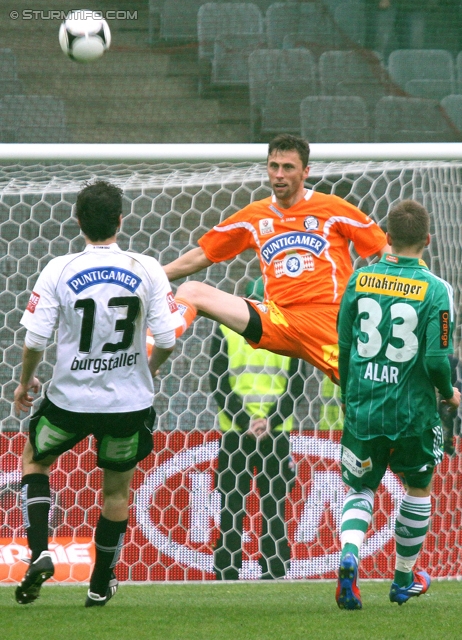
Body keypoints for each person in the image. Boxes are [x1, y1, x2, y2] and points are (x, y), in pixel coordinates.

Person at [13, 180, 177, 607]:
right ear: (121, 220)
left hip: (69, 400)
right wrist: (149, 369)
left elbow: (34, 341)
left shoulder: (59, 269)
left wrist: (26, 381)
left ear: (78, 221)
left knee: (35, 459)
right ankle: (100, 584)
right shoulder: (147, 267)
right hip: (127, 405)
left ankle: (40, 552)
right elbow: (168, 338)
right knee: (116, 493)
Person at [164, 134, 389, 385]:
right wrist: (153, 274)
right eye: (274, 166)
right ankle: (153, 351)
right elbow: (204, 254)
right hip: (278, 320)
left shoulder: (333, 208)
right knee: (191, 291)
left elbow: (383, 248)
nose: (279, 174)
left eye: (288, 167)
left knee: (371, 388)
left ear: (305, 172)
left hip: (326, 321)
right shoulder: (255, 215)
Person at [335, 199, 460, 610]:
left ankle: (349, 554)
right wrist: (448, 392)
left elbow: (345, 344)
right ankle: (404, 577)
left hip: (365, 407)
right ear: (427, 239)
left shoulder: (360, 279)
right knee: (419, 487)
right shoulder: (437, 289)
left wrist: (352, 394)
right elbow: (437, 359)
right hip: (412, 414)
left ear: (387, 238)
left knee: (360, 487)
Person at [210, 276, 304, 580]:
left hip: (237, 434)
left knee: (232, 503)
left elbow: (218, 382)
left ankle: (227, 569)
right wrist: (270, 421)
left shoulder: (227, 327)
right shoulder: (290, 331)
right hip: (273, 435)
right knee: (273, 503)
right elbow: (296, 387)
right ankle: (275, 569)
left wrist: (245, 421)